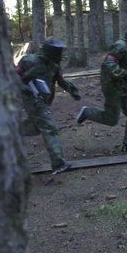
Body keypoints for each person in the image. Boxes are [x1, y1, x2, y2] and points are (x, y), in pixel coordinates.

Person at [75, 25, 127, 153]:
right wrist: (124, 75)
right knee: (111, 119)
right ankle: (87, 112)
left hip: (122, 86)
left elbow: (120, 66)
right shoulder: (121, 46)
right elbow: (108, 64)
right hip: (112, 87)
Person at [16, 37, 81, 174]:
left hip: (44, 100)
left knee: (35, 128)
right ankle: (58, 164)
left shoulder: (54, 65)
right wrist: (23, 87)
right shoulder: (29, 61)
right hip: (32, 101)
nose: (59, 55)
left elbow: (60, 80)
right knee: (49, 127)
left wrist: (72, 91)